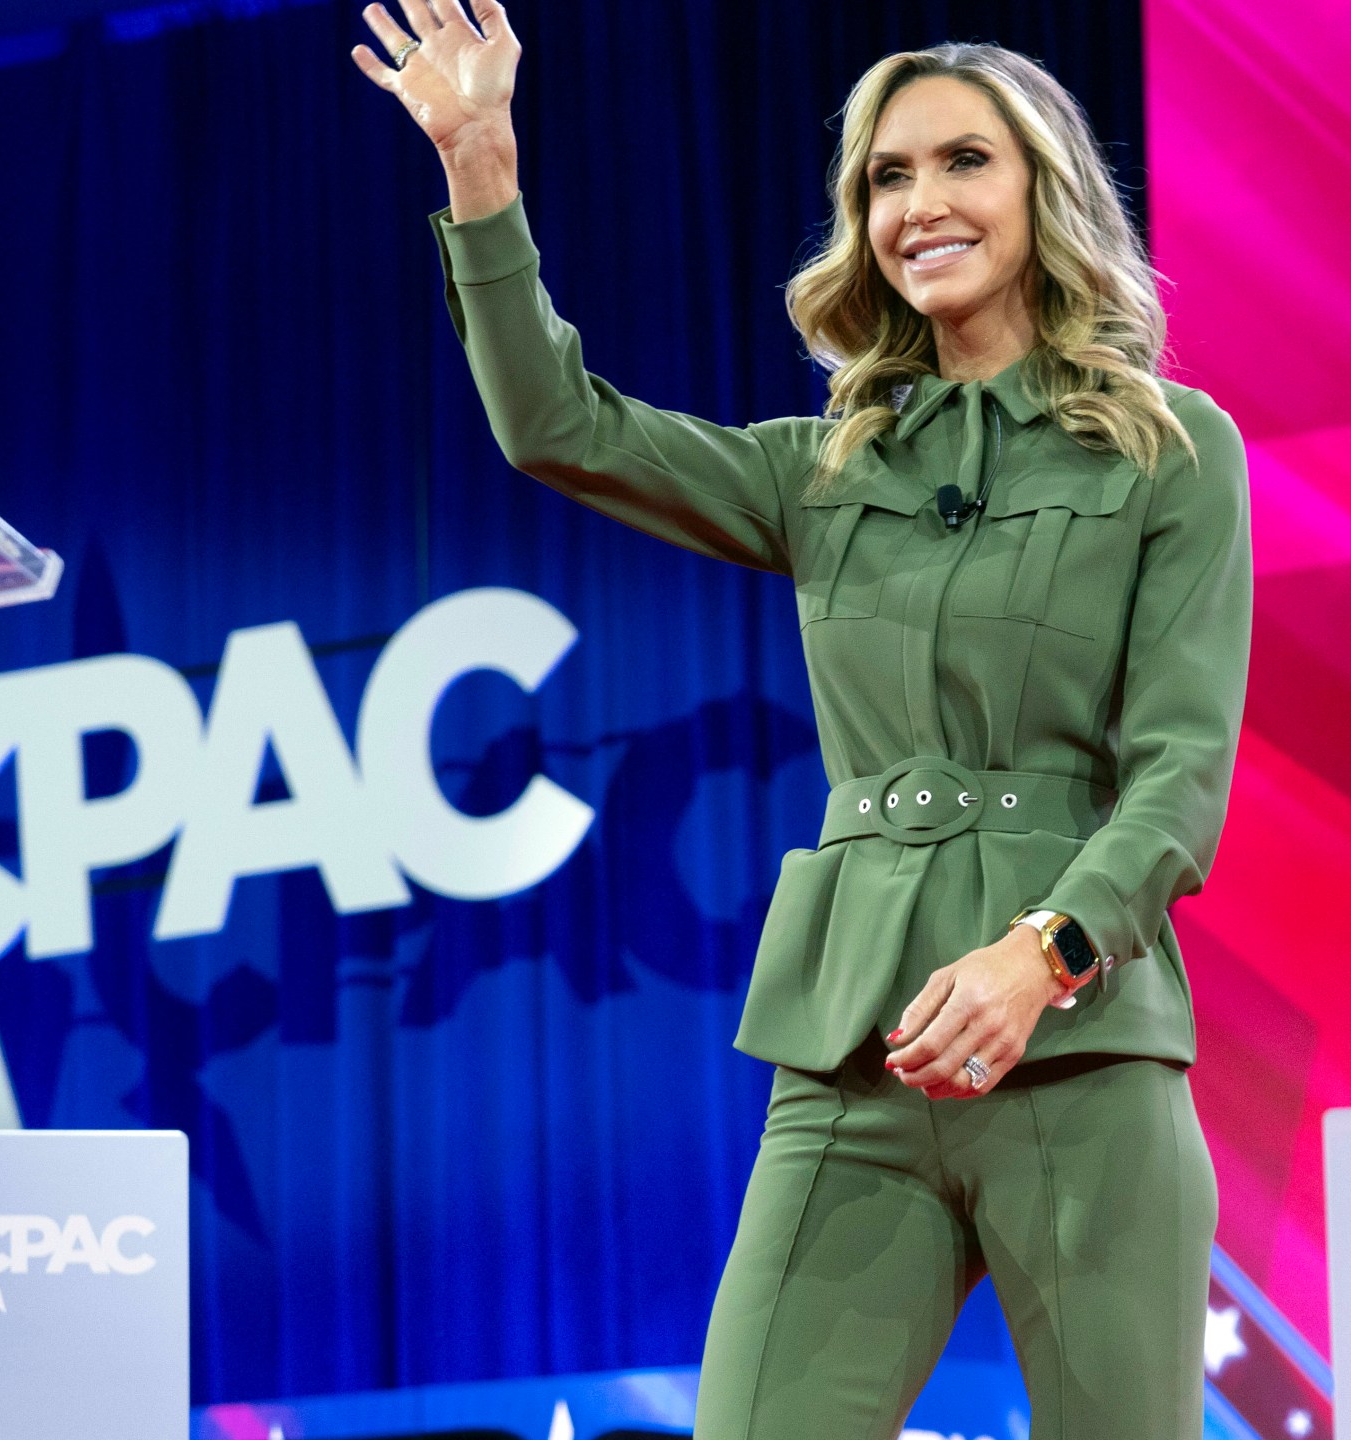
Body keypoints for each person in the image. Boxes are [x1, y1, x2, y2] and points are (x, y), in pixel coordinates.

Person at [353, 5, 1250, 1435]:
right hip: (853, 1049)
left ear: (1045, 190)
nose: (921, 204)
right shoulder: (823, 470)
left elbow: (1180, 775)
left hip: (1078, 1056)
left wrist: (1041, 959)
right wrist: (482, 175)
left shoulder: (1171, 451)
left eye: (965, 162)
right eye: (887, 178)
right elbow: (557, 427)